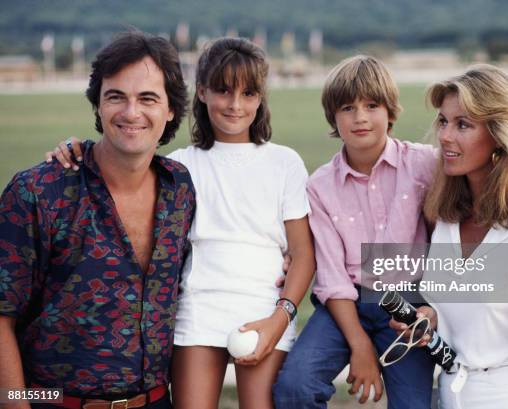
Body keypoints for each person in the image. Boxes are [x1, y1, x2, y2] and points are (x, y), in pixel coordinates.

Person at [272, 55, 508, 409]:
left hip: (433, 322)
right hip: (364, 317)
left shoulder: (433, 167)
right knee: (294, 385)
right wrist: (361, 344)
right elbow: (335, 276)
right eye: (442, 122)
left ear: (391, 111)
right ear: (332, 116)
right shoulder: (326, 187)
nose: (445, 137)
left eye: (372, 105)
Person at [44, 37, 315, 409]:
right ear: (201, 91)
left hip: (265, 312)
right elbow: (121, 160)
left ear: (260, 97)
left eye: (249, 93)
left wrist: (280, 317)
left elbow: (302, 253)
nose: (235, 105)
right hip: (197, 313)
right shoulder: (177, 165)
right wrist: (74, 147)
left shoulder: (285, 163)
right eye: (223, 90)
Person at [0, 31, 195, 409]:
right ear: (98, 106)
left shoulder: (181, 189)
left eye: (148, 98)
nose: (131, 112)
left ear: (170, 109)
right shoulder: (38, 191)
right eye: (116, 96)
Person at [391, 64, 508, 408]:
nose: (445, 136)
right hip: (453, 395)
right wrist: (433, 319)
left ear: (498, 133)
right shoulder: (440, 215)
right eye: (443, 121)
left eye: (463, 124)